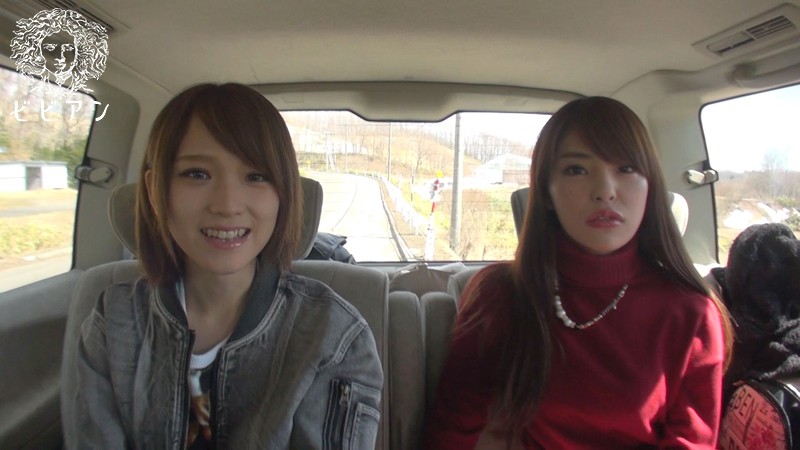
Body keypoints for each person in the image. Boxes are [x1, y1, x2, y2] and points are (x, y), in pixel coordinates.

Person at [70, 83, 383, 449]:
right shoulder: (114, 321)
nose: (227, 205)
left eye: (256, 176)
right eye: (196, 174)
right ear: (155, 191)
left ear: (284, 195)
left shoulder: (333, 336)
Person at [424, 96, 733, 449]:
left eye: (626, 168)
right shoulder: (503, 294)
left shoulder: (691, 312)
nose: (605, 192)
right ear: (546, 193)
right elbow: (452, 429)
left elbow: (691, 442)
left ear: (650, 187)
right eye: (576, 170)